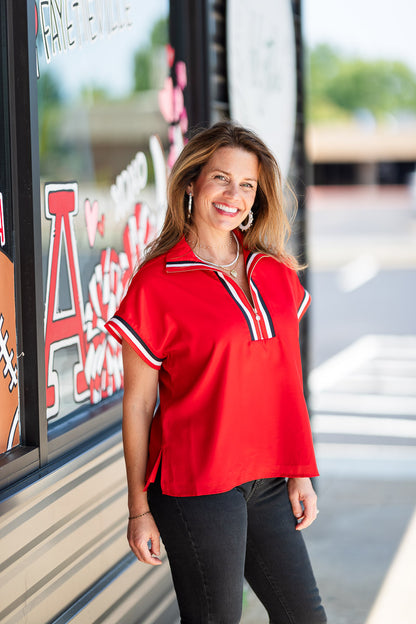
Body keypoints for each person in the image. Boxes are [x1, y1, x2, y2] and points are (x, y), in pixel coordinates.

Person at [105, 121, 327, 624]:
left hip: (268, 477)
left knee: (305, 617)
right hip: (197, 484)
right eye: (221, 179)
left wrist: (300, 472)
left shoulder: (275, 271)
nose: (234, 196)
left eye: (246, 185)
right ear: (191, 183)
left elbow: (286, 383)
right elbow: (139, 405)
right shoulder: (157, 282)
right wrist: (138, 508)